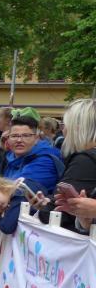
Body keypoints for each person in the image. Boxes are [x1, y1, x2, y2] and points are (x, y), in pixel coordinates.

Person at [36, 99, 96, 232]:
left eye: (65, 125)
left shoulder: (85, 161)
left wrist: (45, 207)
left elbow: (56, 212)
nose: (63, 130)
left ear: (77, 127)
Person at [0, 114, 64, 196]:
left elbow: (22, 190)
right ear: (8, 139)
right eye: (14, 136)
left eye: (26, 136)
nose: (19, 140)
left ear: (36, 139)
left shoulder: (46, 160)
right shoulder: (8, 158)